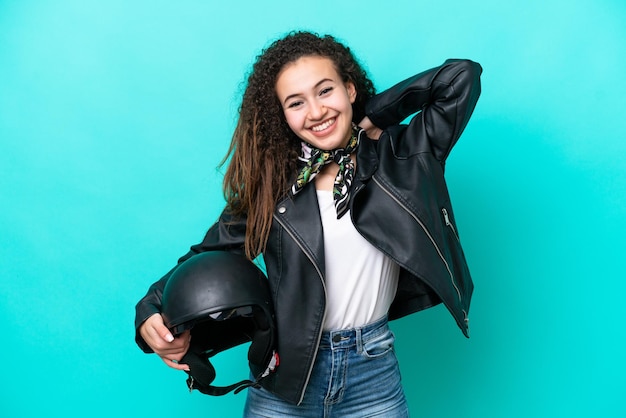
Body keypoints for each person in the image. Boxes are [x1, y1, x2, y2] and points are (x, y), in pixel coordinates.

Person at [135, 30, 482, 417]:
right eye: (295, 102)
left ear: (350, 89)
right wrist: (150, 308)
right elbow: (208, 254)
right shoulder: (271, 187)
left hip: (374, 369)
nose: (316, 112)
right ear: (282, 116)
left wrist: (371, 114)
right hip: (286, 373)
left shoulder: (402, 156)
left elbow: (459, 78)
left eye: (325, 91)